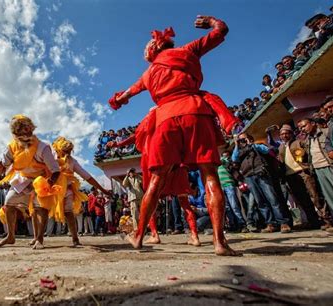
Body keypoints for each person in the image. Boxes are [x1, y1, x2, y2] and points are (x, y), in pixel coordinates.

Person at [108, 15, 239, 255]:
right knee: (210, 175)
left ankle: (138, 237)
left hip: (165, 118)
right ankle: (220, 242)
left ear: (152, 51)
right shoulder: (188, 50)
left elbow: (124, 96)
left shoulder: (149, 73)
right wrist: (211, 21)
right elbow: (221, 30)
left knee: (156, 182)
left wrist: (117, 100)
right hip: (195, 112)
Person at [0, 115, 61, 249]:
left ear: (31, 129)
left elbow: (55, 171)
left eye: (27, 129)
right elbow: (3, 168)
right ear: (15, 134)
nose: (25, 133)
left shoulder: (43, 148)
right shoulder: (11, 147)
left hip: (41, 180)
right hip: (22, 179)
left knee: (40, 208)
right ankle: (10, 236)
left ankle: (39, 239)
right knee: (9, 203)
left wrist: (48, 183)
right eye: (21, 131)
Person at [51, 136, 109, 246]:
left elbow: (87, 177)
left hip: (67, 191)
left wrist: (102, 190)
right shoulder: (52, 159)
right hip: (52, 191)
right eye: (65, 151)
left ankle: (75, 239)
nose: (67, 153)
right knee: (41, 210)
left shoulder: (72, 162)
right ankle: (38, 239)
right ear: (59, 149)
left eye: (69, 151)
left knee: (69, 213)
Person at [232, 133, 291, 233]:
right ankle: (270, 223)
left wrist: (251, 144)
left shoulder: (257, 146)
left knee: (272, 199)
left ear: (250, 138)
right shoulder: (239, 151)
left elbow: (266, 150)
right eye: (240, 140)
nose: (242, 141)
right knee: (260, 202)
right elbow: (234, 159)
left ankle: (283, 223)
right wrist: (237, 145)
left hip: (261, 173)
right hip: (249, 177)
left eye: (244, 139)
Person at [278, 124, 331, 229]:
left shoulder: (299, 142)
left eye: (286, 133)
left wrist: (306, 167)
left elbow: (306, 155)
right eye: (282, 134)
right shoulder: (280, 147)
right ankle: (314, 222)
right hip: (290, 177)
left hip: (303, 172)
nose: (284, 135)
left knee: (315, 196)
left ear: (291, 133)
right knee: (303, 200)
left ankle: (326, 220)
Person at [297, 118, 333, 219]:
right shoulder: (307, 140)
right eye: (300, 128)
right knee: (330, 196)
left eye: (304, 126)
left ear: (313, 123)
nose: (302, 129)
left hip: (330, 166)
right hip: (318, 169)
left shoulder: (326, 132)